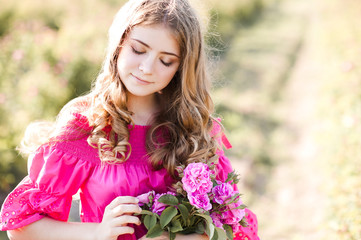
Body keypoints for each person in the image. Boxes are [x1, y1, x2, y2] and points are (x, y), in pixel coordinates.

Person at [0, 0, 260, 239]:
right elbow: (21, 227)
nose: (147, 68)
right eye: (138, 50)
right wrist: (99, 232)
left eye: (166, 61)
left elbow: (235, 226)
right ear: (119, 43)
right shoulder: (85, 124)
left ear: (181, 68)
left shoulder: (193, 128)